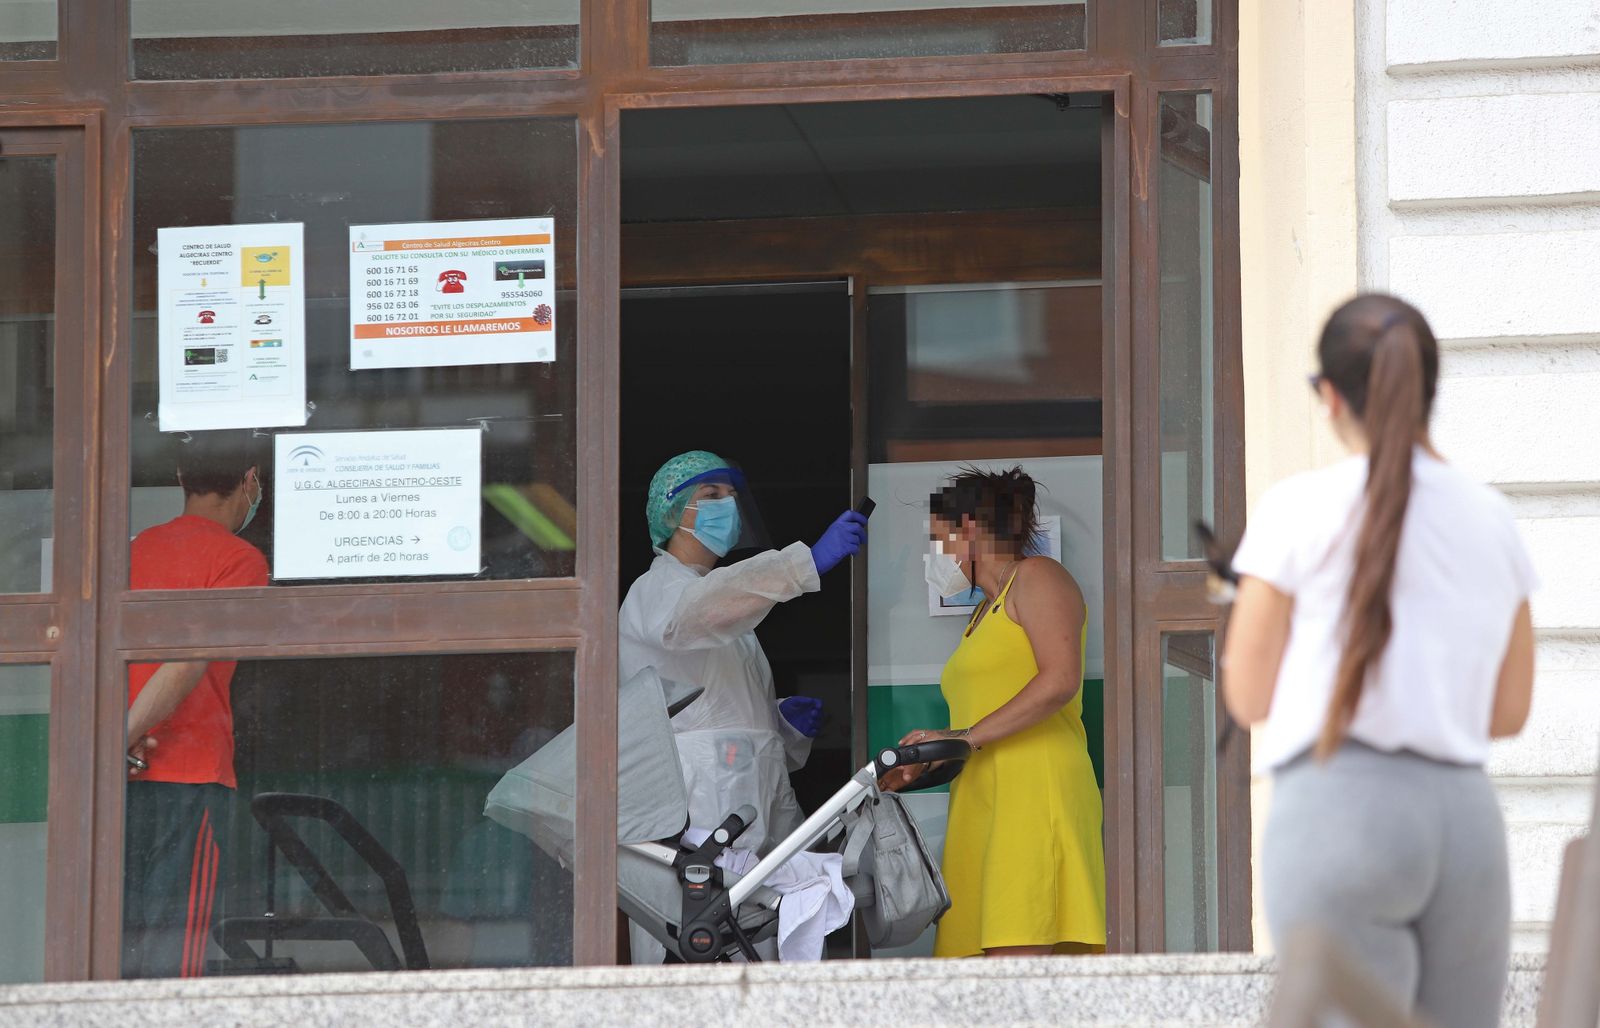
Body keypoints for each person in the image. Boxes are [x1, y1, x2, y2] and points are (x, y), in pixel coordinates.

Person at [1221, 294, 1537, 1027]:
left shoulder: (1296, 510)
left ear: (1330, 396)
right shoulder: (1490, 517)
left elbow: (1249, 694)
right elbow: (1509, 712)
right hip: (1463, 823)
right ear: (1429, 387)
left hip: (1339, 807)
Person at [618, 450, 865, 961]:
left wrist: (782, 725)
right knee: (702, 954)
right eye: (711, 496)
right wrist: (802, 564)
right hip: (698, 810)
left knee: (766, 944)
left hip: (746, 796)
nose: (726, 506)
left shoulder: (727, 612)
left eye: (732, 496)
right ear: (672, 513)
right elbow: (695, 617)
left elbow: (723, 714)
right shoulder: (658, 590)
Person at [885, 466, 1105, 957]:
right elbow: (982, 719)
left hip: (1033, 792)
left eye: (936, 538)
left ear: (967, 528)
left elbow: (1060, 680)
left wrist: (962, 737)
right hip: (983, 797)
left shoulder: (1038, 577)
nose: (933, 554)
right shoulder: (982, 611)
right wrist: (930, 756)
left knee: (1017, 973)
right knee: (983, 980)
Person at [122, 431, 269, 978]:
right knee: (174, 951)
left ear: (182, 479)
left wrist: (110, 742)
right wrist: (119, 739)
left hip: (122, 779)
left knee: (114, 939)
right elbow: (189, 661)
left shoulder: (132, 551)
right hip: (190, 775)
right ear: (250, 481)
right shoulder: (240, 561)